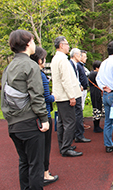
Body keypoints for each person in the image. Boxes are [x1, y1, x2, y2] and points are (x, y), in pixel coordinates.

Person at [1, 29, 49, 189]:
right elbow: (37, 95)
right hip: (30, 123)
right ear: (28, 43)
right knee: (36, 165)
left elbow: (4, 97)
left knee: (24, 162)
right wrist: (43, 118)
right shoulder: (30, 65)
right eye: (33, 41)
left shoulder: (8, 68)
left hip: (14, 125)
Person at [30, 46, 59, 186]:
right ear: (40, 59)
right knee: (45, 147)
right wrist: (54, 97)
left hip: (32, 115)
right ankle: (45, 173)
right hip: (44, 114)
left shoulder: (29, 72)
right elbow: (46, 97)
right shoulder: (40, 75)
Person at [51, 36, 83, 157]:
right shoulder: (62, 60)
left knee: (62, 122)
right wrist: (72, 96)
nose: (68, 46)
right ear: (61, 45)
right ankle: (66, 148)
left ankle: (64, 144)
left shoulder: (56, 58)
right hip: (65, 96)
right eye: (67, 44)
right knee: (70, 122)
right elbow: (65, 80)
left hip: (60, 96)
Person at [96, 41, 113, 154]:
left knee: (108, 121)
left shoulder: (103, 63)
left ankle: (108, 145)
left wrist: (102, 87)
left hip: (106, 94)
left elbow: (98, 78)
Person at [69, 48, 91, 143]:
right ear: (74, 55)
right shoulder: (71, 64)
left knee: (79, 112)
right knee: (77, 113)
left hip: (79, 90)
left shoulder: (77, 65)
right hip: (75, 91)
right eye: (79, 55)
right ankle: (78, 134)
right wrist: (79, 85)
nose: (81, 57)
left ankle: (78, 133)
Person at [88, 60, 103, 133]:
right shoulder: (96, 74)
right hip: (96, 93)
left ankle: (97, 126)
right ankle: (96, 127)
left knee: (96, 108)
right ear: (97, 68)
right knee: (97, 108)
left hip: (93, 92)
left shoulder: (91, 74)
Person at [78, 50, 91, 129]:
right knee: (80, 107)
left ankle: (81, 123)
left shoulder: (83, 66)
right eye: (84, 56)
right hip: (81, 89)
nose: (86, 58)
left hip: (85, 88)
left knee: (81, 107)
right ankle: (80, 124)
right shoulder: (78, 66)